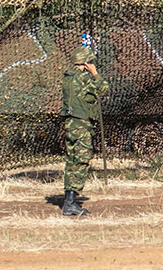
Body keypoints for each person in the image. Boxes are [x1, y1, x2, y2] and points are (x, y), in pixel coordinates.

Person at [60, 46, 109, 216]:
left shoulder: (67, 78)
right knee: (81, 161)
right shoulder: (83, 78)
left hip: (71, 124)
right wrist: (95, 73)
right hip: (81, 125)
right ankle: (70, 203)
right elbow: (104, 89)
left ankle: (69, 199)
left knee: (72, 161)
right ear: (85, 62)